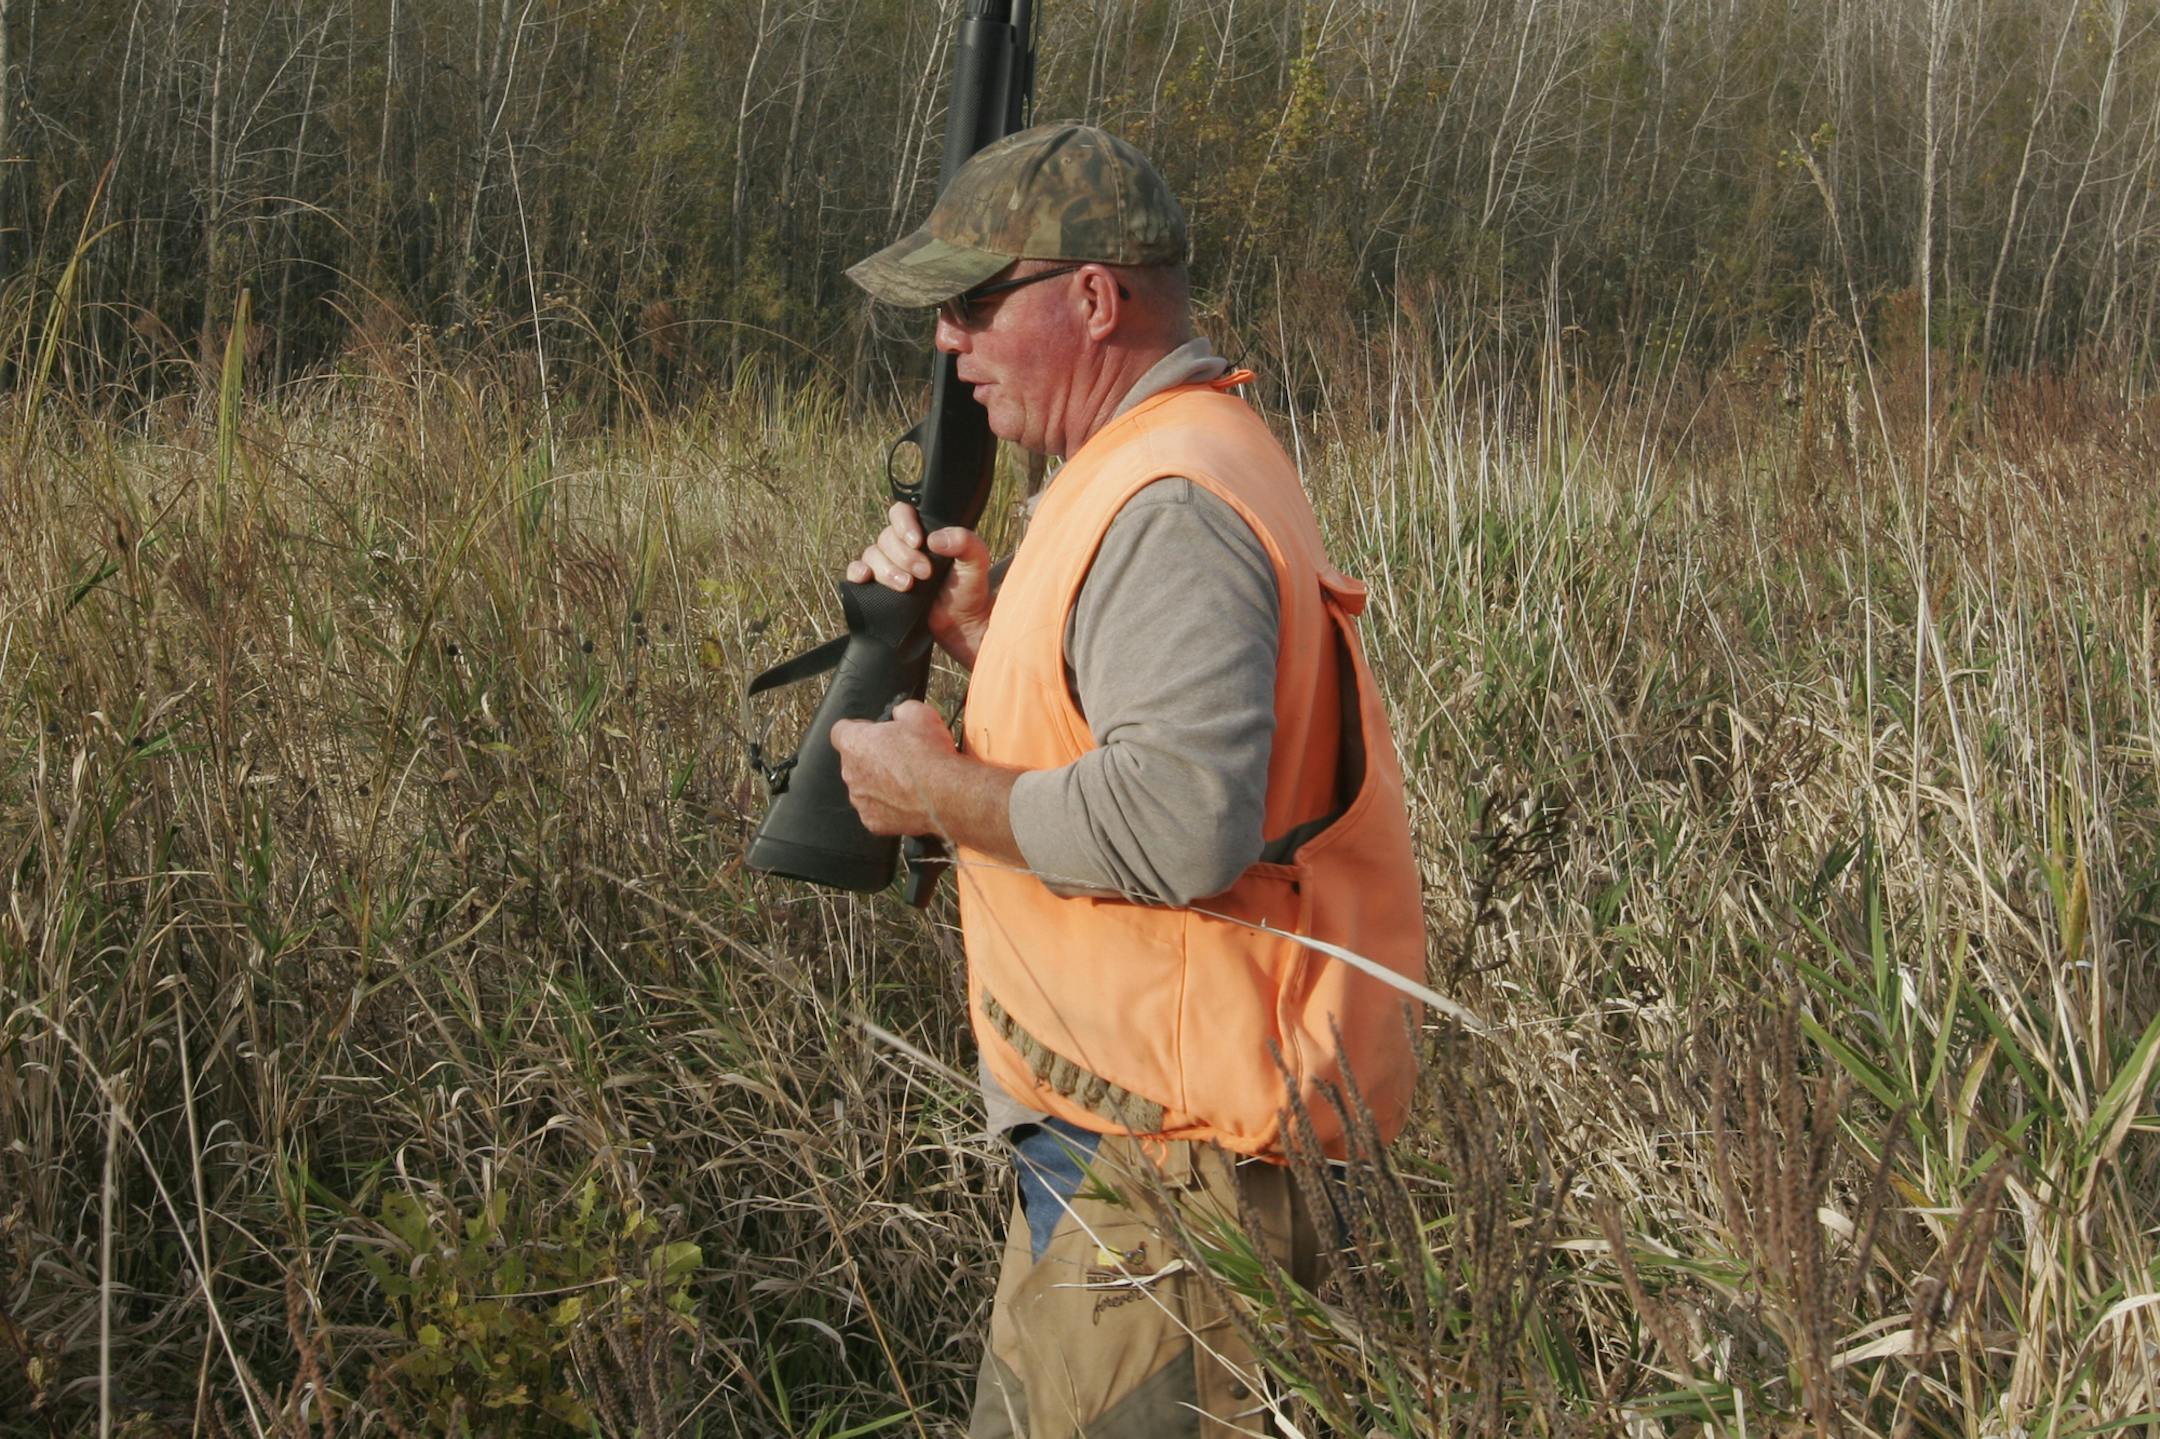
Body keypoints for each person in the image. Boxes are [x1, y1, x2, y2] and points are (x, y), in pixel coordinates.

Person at [826, 123, 1426, 1437]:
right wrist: (980, 648)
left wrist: (933, 792)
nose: (949, 341)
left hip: (1179, 1175)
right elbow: (1156, 751)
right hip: (1130, 1146)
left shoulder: (1167, 503)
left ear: (1094, 298)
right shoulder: (1151, 467)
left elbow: (1181, 821)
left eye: (977, 303)